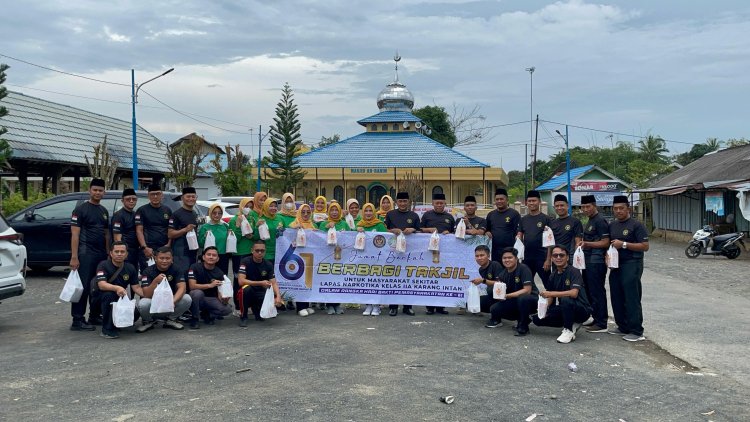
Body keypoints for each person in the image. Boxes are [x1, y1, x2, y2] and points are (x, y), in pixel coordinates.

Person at [69, 177, 110, 330]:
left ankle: (94, 316)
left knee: (98, 286)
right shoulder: (80, 210)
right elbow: (75, 235)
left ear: (104, 192)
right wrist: (74, 257)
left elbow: (106, 234)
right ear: (89, 191)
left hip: (101, 254)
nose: (97, 193)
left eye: (100, 190)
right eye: (95, 190)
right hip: (85, 253)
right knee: (84, 287)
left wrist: (108, 253)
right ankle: (77, 320)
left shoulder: (104, 211)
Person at [607, 195, 649, 342]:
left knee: (631, 297)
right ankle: (623, 326)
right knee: (616, 295)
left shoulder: (636, 225)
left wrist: (624, 244)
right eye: (616, 208)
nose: (618, 211)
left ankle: (636, 331)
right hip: (615, 265)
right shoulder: (612, 225)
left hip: (632, 263)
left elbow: (645, 246)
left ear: (628, 209)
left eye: (621, 208)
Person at [532, 245, 592, 344]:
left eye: (561, 255)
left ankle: (568, 329)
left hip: (582, 310)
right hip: (565, 308)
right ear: (551, 258)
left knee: (566, 299)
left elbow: (574, 293)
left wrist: (551, 293)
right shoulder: (553, 275)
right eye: (555, 255)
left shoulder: (574, 271)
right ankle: (572, 323)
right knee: (537, 319)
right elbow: (550, 296)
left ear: (567, 257)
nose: (558, 257)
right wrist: (544, 308)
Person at [481, 247, 538, 336]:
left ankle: (523, 326)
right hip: (514, 299)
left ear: (516, 258)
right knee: (492, 307)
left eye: (510, 257)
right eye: (504, 258)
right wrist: (498, 294)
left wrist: (507, 296)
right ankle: (520, 318)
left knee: (523, 298)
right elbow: (498, 286)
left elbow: (527, 290)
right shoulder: (503, 273)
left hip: (531, 300)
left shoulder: (523, 269)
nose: (507, 260)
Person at [135, 247, 192, 332]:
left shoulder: (177, 269)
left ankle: (171, 319)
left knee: (187, 298)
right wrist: (155, 281)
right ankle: (148, 321)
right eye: (161, 258)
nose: (164, 261)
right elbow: (146, 294)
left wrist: (172, 301)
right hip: (154, 305)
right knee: (143, 303)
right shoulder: (148, 271)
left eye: (167, 258)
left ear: (172, 259)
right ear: (155, 258)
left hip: (170, 304)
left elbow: (182, 288)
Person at [577, 195, 611, 333]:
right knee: (590, 291)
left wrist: (587, 244)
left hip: (596, 261)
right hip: (588, 260)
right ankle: (596, 318)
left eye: (588, 206)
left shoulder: (600, 221)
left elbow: (606, 242)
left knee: (597, 291)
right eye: (583, 207)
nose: (585, 209)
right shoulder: (590, 220)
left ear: (594, 205)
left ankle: (602, 323)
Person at [384, 191, 421, 316]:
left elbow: (420, 231)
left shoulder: (414, 216)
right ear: (396, 202)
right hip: (393, 252)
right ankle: (393, 307)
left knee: (408, 279)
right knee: (393, 279)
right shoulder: (390, 214)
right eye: (400, 201)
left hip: (409, 254)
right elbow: (384, 230)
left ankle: (407, 307)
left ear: (408, 202)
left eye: (405, 201)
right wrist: (392, 230)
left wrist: (413, 229)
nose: (403, 203)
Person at [94, 241, 139, 339]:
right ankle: (107, 329)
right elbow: (102, 285)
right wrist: (117, 288)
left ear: (126, 254)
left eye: (122, 252)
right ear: (111, 253)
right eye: (116, 251)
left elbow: (136, 287)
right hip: (101, 298)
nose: (119, 254)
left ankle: (116, 323)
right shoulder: (103, 265)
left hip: (120, 297)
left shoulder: (130, 267)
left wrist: (150, 294)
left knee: (136, 313)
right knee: (109, 295)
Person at [420, 192, 455, 315]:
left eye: (441, 203)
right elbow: (419, 230)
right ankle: (430, 307)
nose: (439, 205)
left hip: (445, 253)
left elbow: (455, 234)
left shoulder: (450, 217)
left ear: (445, 204)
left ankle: (441, 307)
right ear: (433, 204)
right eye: (437, 203)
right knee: (430, 278)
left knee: (443, 278)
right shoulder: (427, 215)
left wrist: (449, 234)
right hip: (429, 252)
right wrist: (428, 230)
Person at [237, 241, 284, 326]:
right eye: (257, 250)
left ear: (265, 251)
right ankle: (243, 316)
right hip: (249, 289)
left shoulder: (268, 264)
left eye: (262, 251)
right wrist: (260, 283)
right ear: (252, 250)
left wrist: (278, 296)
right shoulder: (245, 261)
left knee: (273, 298)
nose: (259, 253)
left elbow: (273, 283)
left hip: (261, 290)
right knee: (244, 290)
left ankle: (257, 311)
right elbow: (241, 281)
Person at [187, 247, 233, 329]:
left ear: (217, 259)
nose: (211, 257)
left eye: (214, 255)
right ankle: (195, 318)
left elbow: (220, 293)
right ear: (203, 257)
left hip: (210, 299)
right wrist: (210, 285)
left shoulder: (219, 273)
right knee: (197, 293)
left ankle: (207, 314)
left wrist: (225, 299)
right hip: (196, 297)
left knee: (227, 309)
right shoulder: (194, 267)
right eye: (208, 254)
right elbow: (192, 286)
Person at [357, 202, 389, 316]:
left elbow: (385, 240)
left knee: (376, 282)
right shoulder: (360, 225)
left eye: (370, 210)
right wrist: (357, 231)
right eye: (366, 211)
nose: (368, 213)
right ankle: (368, 305)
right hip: (364, 259)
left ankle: (376, 306)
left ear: (374, 212)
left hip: (378, 259)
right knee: (366, 282)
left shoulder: (379, 225)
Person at [516, 190, 552, 287]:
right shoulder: (523, 219)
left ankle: (551, 298)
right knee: (526, 285)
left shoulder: (546, 219)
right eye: (529, 201)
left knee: (549, 284)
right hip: (527, 258)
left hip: (542, 258)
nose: (531, 203)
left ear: (539, 202)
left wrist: (548, 259)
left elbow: (550, 241)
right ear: (526, 203)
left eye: (534, 201)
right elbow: (520, 237)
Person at [135, 183, 172, 273]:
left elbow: (171, 230)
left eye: (157, 194)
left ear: (162, 195)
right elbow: (139, 230)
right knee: (148, 274)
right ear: (148, 196)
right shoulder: (142, 210)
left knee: (164, 275)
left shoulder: (167, 210)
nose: (155, 196)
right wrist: (144, 247)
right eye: (152, 194)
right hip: (148, 249)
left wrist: (168, 245)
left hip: (164, 248)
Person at [229, 197, 256, 312]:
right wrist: (238, 226)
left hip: (251, 253)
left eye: (250, 207)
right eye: (246, 206)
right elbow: (234, 239)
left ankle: (248, 305)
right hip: (239, 254)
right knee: (238, 280)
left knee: (250, 280)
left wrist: (252, 236)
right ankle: (238, 306)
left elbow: (255, 236)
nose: (248, 209)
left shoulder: (252, 218)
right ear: (241, 206)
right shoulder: (234, 219)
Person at [168, 186, 200, 274]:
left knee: (191, 275)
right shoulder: (176, 214)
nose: (191, 199)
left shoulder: (194, 213)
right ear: (182, 198)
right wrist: (185, 229)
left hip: (193, 251)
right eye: (188, 196)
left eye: (193, 197)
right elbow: (170, 234)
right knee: (181, 276)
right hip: (181, 253)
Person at [485, 188, 521, 262]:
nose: (499, 201)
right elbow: (487, 229)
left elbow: (518, 231)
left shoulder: (514, 214)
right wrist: (487, 232)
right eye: (497, 199)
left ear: (507, 200)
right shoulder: (491, 215)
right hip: (494, 251)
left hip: (509, 251)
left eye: (501, 199)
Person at [548, 194, 583, 262]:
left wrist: (576, 259)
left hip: (569, 259)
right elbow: (550, 244)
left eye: (562, 205)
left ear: (567, 206)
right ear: (554, 207)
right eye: (557, 206)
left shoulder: (575, 222)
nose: (559, 208)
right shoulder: (552, 223)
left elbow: (578, 243)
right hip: (556, 258)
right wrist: (549, 259)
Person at [470, 245, 504, 314]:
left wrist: (483, 280)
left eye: (482, 255)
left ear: (488, 256)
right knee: (471, 303)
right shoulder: (481, 269)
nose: (479, 258)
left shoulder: (495, 265)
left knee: (491, 290)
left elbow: (500, 284)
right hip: (492, 296)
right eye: (477, 256)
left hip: (502, 296)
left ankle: (498, 311)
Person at [198, 203, 231, 274]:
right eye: (214, 213)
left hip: (223, 256)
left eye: (219, 213)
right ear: (210, 213)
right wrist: (204, 237)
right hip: (209, 256)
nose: (217, 215)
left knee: (222, 276)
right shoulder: (205, 227)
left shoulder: (225, 226)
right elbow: (200, 244)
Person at [111, 188, 139, 269]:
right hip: (125, 253)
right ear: (122, 201)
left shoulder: (135, 214)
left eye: (134, 199)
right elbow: (117, 238)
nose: (131, 201)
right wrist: (122, 254)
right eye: (128, 199)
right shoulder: (118, 215)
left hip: (135, 251)